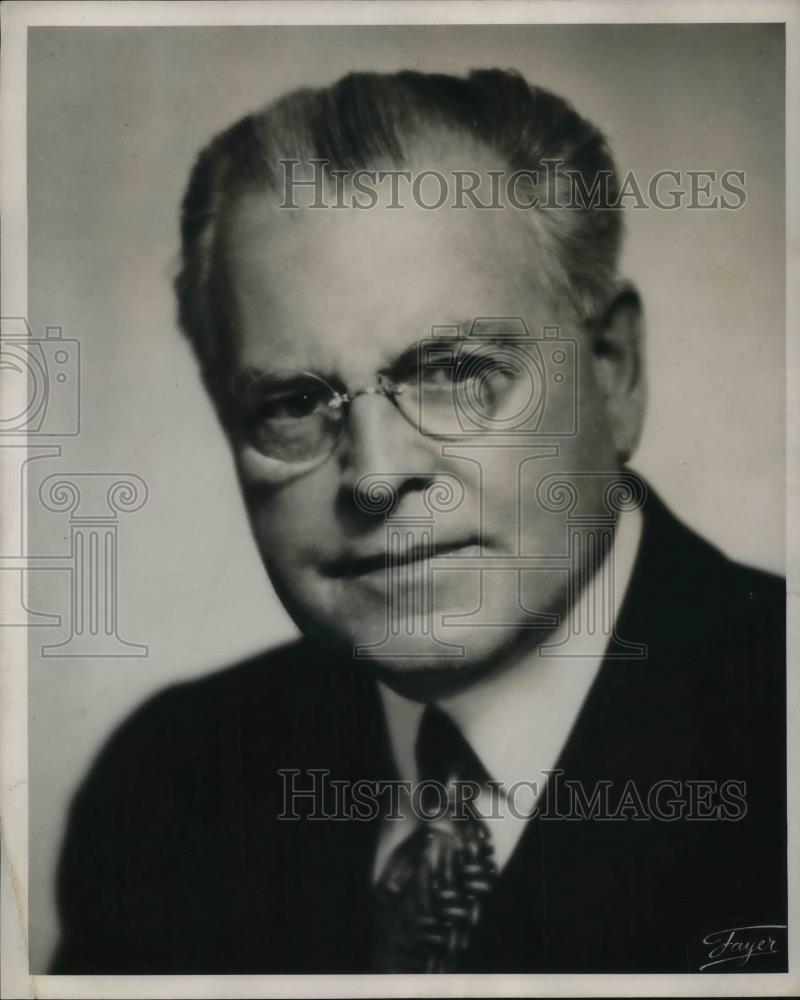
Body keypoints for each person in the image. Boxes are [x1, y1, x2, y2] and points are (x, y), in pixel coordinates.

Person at [51, 69, 786, 974]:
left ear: (613, 371)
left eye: (456, 371)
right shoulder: (166, 788)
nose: (379, 475)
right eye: (292, 402)